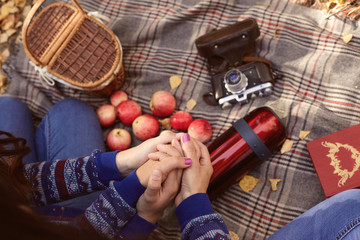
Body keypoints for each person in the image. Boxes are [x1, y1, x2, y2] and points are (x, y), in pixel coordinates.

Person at [0, 96, 230, 239]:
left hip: (59, 221)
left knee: (22, 107)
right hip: (77, 229)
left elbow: (13, 183)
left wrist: (120, 163)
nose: (21, 203)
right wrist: (188, 205)